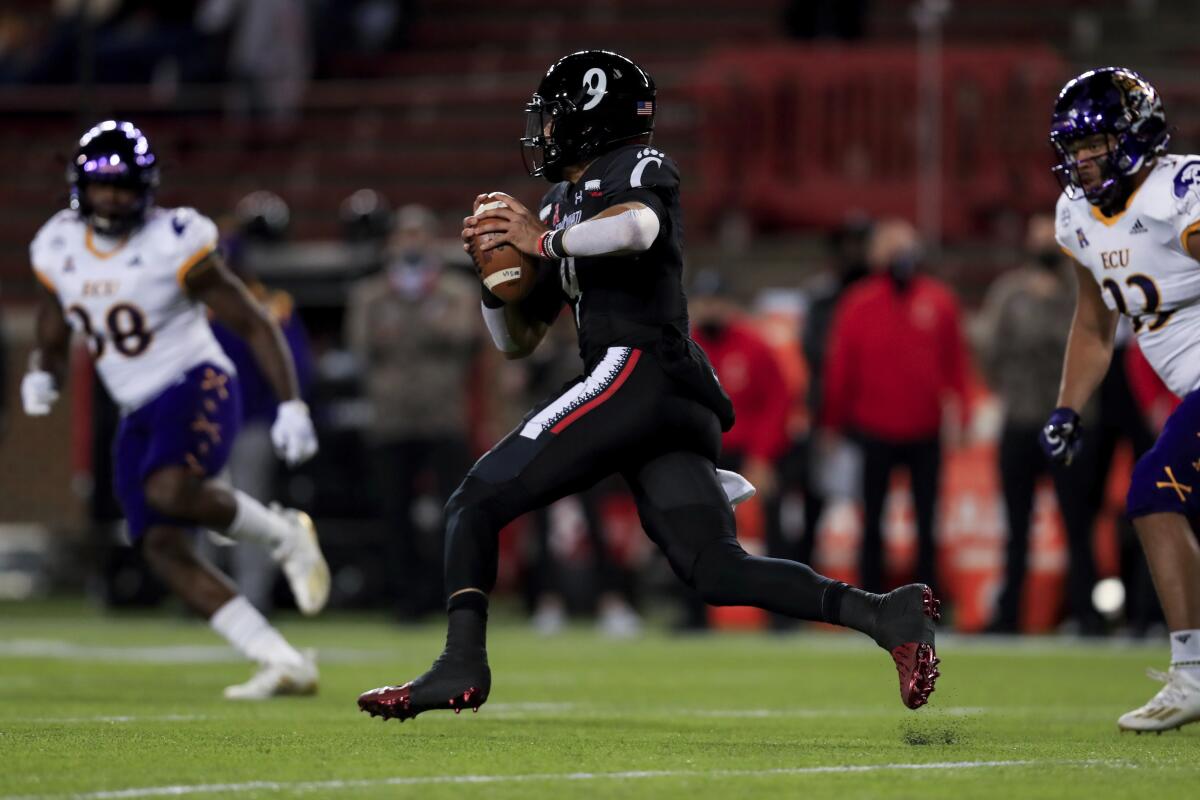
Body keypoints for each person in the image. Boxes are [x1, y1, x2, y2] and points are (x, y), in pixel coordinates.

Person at [357, 50, 940, 722]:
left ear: (588, 119)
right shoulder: (559, 204)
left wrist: (543, 243)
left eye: (553, 120)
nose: (543, 133)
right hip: (658, 396)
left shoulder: (633, 168)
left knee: (474, 499)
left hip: (640, 367)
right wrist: (492, 281)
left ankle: (460, 665)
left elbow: (639, 227)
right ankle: (885, 614)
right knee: (713, 570)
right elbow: (515, 342)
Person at [21, 120, 329, 699]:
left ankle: (282, 533)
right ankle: (282, 659)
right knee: (159, 544)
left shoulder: (174, 240)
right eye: (100, 184)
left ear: (146, 188)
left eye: (122, 185)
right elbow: (54, 326)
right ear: (78, 186)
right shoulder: (56, 244)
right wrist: (44, 369)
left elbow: (251, 320)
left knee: (168, 490)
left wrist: (292, 404)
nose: (110, 197)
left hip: (196, 380)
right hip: (137, 405)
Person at [1042, 67, 1200, 732]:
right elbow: (1094, 324)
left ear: (1134, 136)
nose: (1081, 160)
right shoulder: (1077, 215)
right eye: (1073, 149)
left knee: (1151, 492)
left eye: (1094, 145)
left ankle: (1192, 676)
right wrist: (1067, 406)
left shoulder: (1179, 189)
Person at [344, 203, 482, 620]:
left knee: (451, 511)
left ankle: (448, 593)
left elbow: (463, 335)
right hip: (391, 417)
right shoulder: (369, 293)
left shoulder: (455, 289)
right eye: (405, 235)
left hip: (443, 413)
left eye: (419, 234)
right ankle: (403, 597)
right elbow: (361, 346)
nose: (412, 243)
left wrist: (411, 319)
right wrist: (425, 322)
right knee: (394, 513)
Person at [821, 219, 970, 596]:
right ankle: (870, 601)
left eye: (903, 247)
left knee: (927, 521)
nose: (898, 256)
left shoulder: (939, 300)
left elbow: (956, 364)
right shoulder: (858, 303)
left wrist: (964, 414)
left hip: (926, 429)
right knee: (871, 521)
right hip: (873, 429)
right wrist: (832, 424)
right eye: (889, 248)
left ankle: (927, 602)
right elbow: (841, 369)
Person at [976, 215, 1105, 636]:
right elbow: (988, 350)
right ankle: (1009, 614)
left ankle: (1086, 613)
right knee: (1016, 526)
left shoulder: (1080, 291)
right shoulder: (1010, 293)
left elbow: (1091, 345)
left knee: (1077, 522)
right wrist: (1011, 390)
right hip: (1020, 419)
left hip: (1067, 419)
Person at [686, 269, 791, 630]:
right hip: (703, 452)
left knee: (773, 532)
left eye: (717, 302)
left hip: (748, 452)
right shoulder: (686, 345)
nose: (711, 310)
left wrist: (763, 455)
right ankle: (694, 614)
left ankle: (783, 613)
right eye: (704, 302)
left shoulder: (754, 344)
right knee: (691, 529)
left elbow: (778, 400)